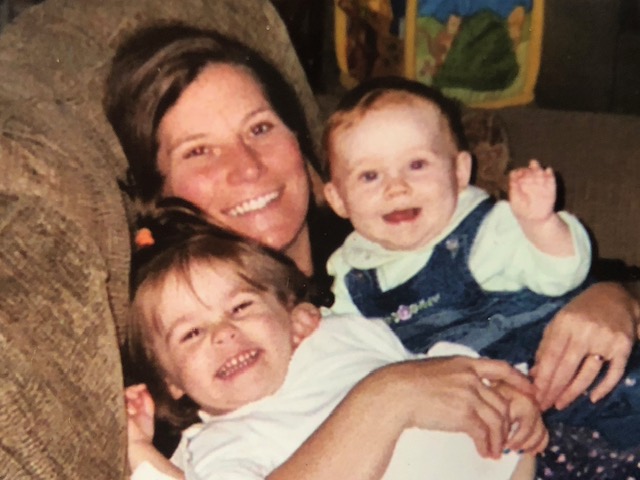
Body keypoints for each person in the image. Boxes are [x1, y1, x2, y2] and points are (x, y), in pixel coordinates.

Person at [103, 22, 640, 475]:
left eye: (260, 128)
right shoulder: (184, 346)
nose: (246, 166)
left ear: (303, 145)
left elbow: (551, 263)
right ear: (160, 192)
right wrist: (388, 396)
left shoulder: (386, 228)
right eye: (199, 151)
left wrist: (613, 300)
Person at [321, 76, 640, 449]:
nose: (396, 187)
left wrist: (540, 224)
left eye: (417, 165)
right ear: (338, 198)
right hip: (509, 424)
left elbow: (563, 273)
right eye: (370, 175)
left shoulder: (488, 230)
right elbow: (345, 346)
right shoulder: (353, 275)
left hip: (593, 380)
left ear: (459, 172)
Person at [124, 202, 546, 479]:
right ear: (169, 381)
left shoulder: (340, 332)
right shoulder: (222, 443)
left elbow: (446, 367)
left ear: (290, 313)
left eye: (241, 307)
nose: (225, 334)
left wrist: (513, 394)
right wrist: (141, 455)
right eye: (192, 333)